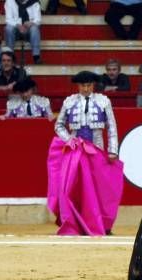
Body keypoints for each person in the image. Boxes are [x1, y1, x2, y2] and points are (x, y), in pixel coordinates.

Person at [48, 71, 124, 236]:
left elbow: (112, 126)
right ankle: (75, 222)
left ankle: (101, 224)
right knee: (75, 187)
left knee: (98, 188)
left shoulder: (104, 101)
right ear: (78, 86)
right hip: (75, 152)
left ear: (93, 85)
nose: (86, 88)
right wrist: (69, 140)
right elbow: (59, 125)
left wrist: (112, 150)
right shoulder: (69, 102)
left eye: (89, 85)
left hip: (97, 151)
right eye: (83, 85)